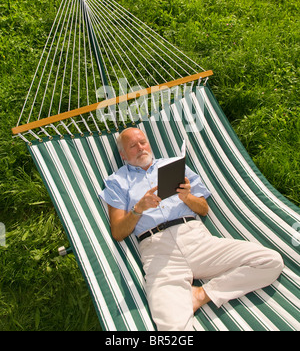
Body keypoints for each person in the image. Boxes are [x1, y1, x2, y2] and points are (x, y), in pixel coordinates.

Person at [99, 127, 284, 331]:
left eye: (142, 142)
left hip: (196, 239)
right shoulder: (117, 182)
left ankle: (201, 295)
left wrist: (186, 197)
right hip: (157, 252)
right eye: (132, 146)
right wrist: (138, 209)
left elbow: (204, 209)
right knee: (171, 327)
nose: (140, 147)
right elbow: (118, 232)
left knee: (270, 262)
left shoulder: (175, 166)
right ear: (123, 155)